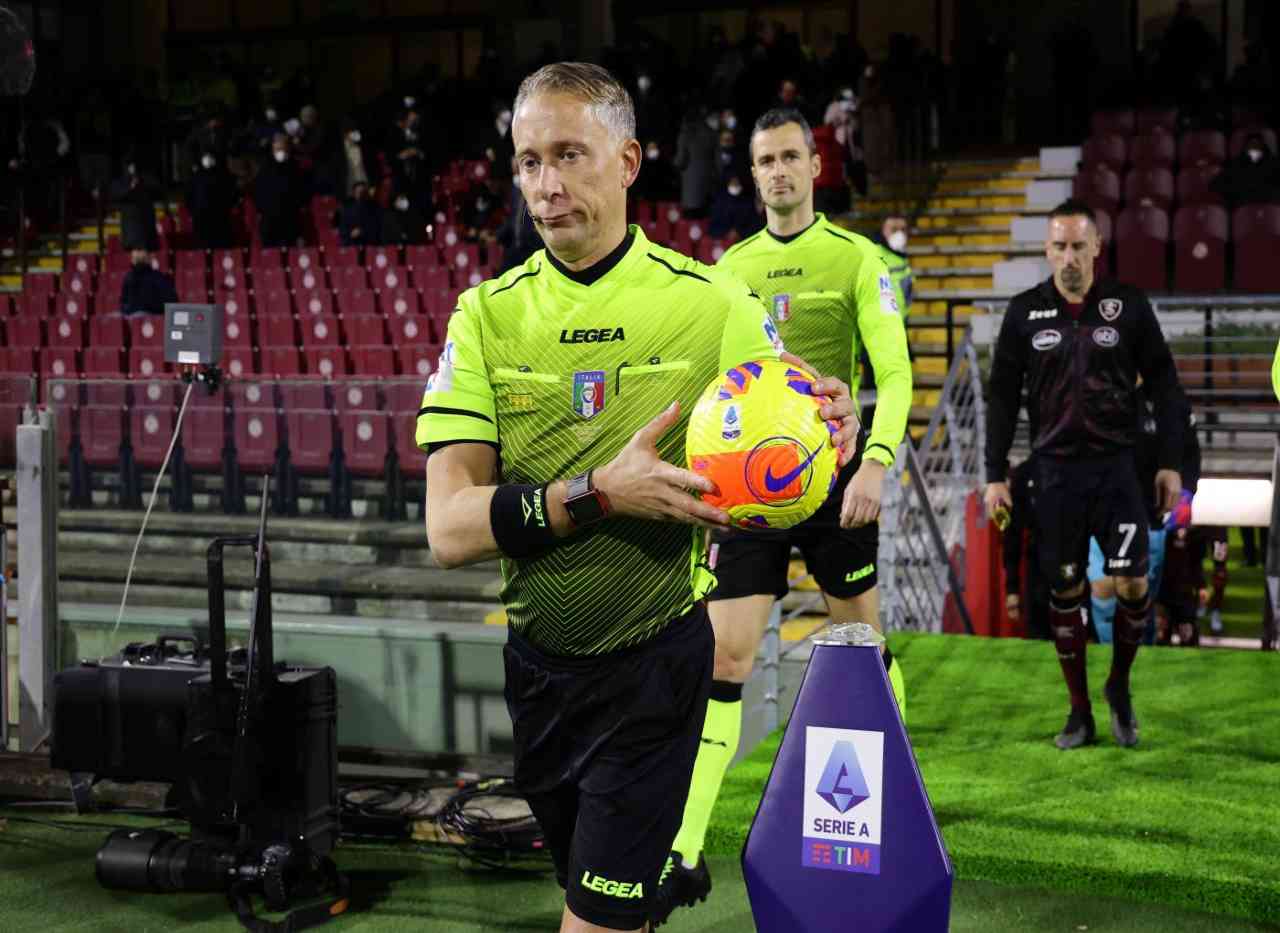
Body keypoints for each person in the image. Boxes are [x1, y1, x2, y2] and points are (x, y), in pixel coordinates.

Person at [417, 63, 861, 933]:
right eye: (528, 161)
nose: (545, 185)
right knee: (611, 903)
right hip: (538, 674)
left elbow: (804, 413)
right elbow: (449, 527)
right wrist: (600, 492)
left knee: (596, 921)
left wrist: (833, 420)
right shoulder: (483, 317)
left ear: (627, 161)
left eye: (569, 155)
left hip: (657, 664)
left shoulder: (713, 304)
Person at [654, 107, 913, 926]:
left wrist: (875, 460)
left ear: (815, 163)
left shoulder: (856, 258)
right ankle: (685, 849)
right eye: (765, 159)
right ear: (753, 172)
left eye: (791, 156)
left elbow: (895, 372)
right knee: (725, 660)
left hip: (834, 484)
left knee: (862, 648)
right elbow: (710, 385)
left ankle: (897, 808)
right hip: (746, 495)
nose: (778, 171)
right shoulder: (728, 266)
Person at [984, 198, 1187, 751]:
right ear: (1047, 250)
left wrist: (1172, 462)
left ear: (1098, 246)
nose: (1069, 256)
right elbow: (1001, 396)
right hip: (1053, 476)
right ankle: (1079, 712)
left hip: (1118, 469)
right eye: (1059, 246)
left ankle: (1118, 685)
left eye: (1079, 245)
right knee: (1066, 588)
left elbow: (1166, 385)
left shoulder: (1129, 306)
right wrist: (993, 472)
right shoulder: (1025, 312)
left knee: (1132, 582)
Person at [1086, 387, 1200, 644]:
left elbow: (1191, 450)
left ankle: (1139, 656)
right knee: (1103, 587)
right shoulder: (1098, 382)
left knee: (1138, 593)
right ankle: (1107, 653)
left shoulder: (1168, 394)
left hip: (1150, 513)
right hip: (1104, 509)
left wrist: (1186, 494)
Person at [1002, 456, 1050, 640]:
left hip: (1078, 567)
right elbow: (1011, 534)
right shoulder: (1024, 473)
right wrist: (1012, 589)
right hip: (1038, 569)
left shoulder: (1082, 466)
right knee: (1038, 640)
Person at [254, 134, 306, 248]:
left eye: (282, 148)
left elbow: (301, 191)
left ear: (288, 149)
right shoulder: (265, 167)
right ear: (272, 148)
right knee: (270, 253)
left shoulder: (295, 167)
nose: (280, 152)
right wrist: (262, 209)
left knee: (290, 250)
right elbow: (258, 190)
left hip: (290, 217)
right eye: (277, 149)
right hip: (270, 217)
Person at [186, 150, 237, 249]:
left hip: (220, 223)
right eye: (205, 156)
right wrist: (195, 212)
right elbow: (189, 198)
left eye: (210, 156)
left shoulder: (224, 177)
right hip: (202, 223)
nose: (208, 160)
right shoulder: (195, 178)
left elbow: (232, 197)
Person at [673, 109, 719, 218]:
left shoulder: (685, 134)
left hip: (690, 187)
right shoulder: (712, 133)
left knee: (689, 224)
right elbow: (718, 161)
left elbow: (680, 160)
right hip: (707, 186)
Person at [109, 158, 161, 253]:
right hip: (132, 229)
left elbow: (157, 190)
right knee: (136, 256)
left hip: (147, 229)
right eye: (130, 166)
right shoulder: (120, 182)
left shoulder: (145, 179)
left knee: (146, 257)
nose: (132, 169)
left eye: (134, 166)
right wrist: (130, 188)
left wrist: (140, 182)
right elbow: (116, 195)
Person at [871, 214, 913, 318]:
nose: (899, 234)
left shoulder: (901, 256)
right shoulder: (874, 254)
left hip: (900, 319)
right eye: (894, 229)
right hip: (884, 323)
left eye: (903, 229)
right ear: (883, 230)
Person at [119, 246, 177, 316]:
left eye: (139, 250)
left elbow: (171, 301)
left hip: (149, 317)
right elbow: (123, 302)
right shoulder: (129, 277)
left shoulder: (156, 277)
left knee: (139, 314)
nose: (135, 254)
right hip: (131, 315)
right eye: (135, 251)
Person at [339, 180, 382, 247]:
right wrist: (351, 233)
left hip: (370, 243)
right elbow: (343, 227)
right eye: (357, 192)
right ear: (353, 193)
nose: (359, 194)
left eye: (362, 192)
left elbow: (376, 226)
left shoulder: (373, 207)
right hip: (351, 243)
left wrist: (361, 230)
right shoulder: (347, 207)